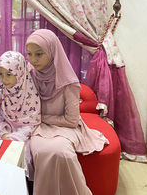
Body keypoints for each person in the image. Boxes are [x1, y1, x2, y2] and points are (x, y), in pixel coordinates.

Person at [25, 29, 109, 195]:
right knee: (41, 151)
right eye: (29, 54)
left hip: (66, 128)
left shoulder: (68, 81)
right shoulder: (29, 73)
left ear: (52, 51)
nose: (33, 60)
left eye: (39, 54)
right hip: (38, 128)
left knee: (61, 153)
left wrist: (40, 118)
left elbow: (71, 121)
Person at [0, 51, 41, 180]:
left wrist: (14, 136)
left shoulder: (30, 93)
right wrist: (3, 133)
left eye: (9, 74)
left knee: (19, 152)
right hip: (4, 131)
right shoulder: (1, 89)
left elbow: (32, 123)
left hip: (24, 134)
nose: (4, 79)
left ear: (19, 73)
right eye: (1, 74)